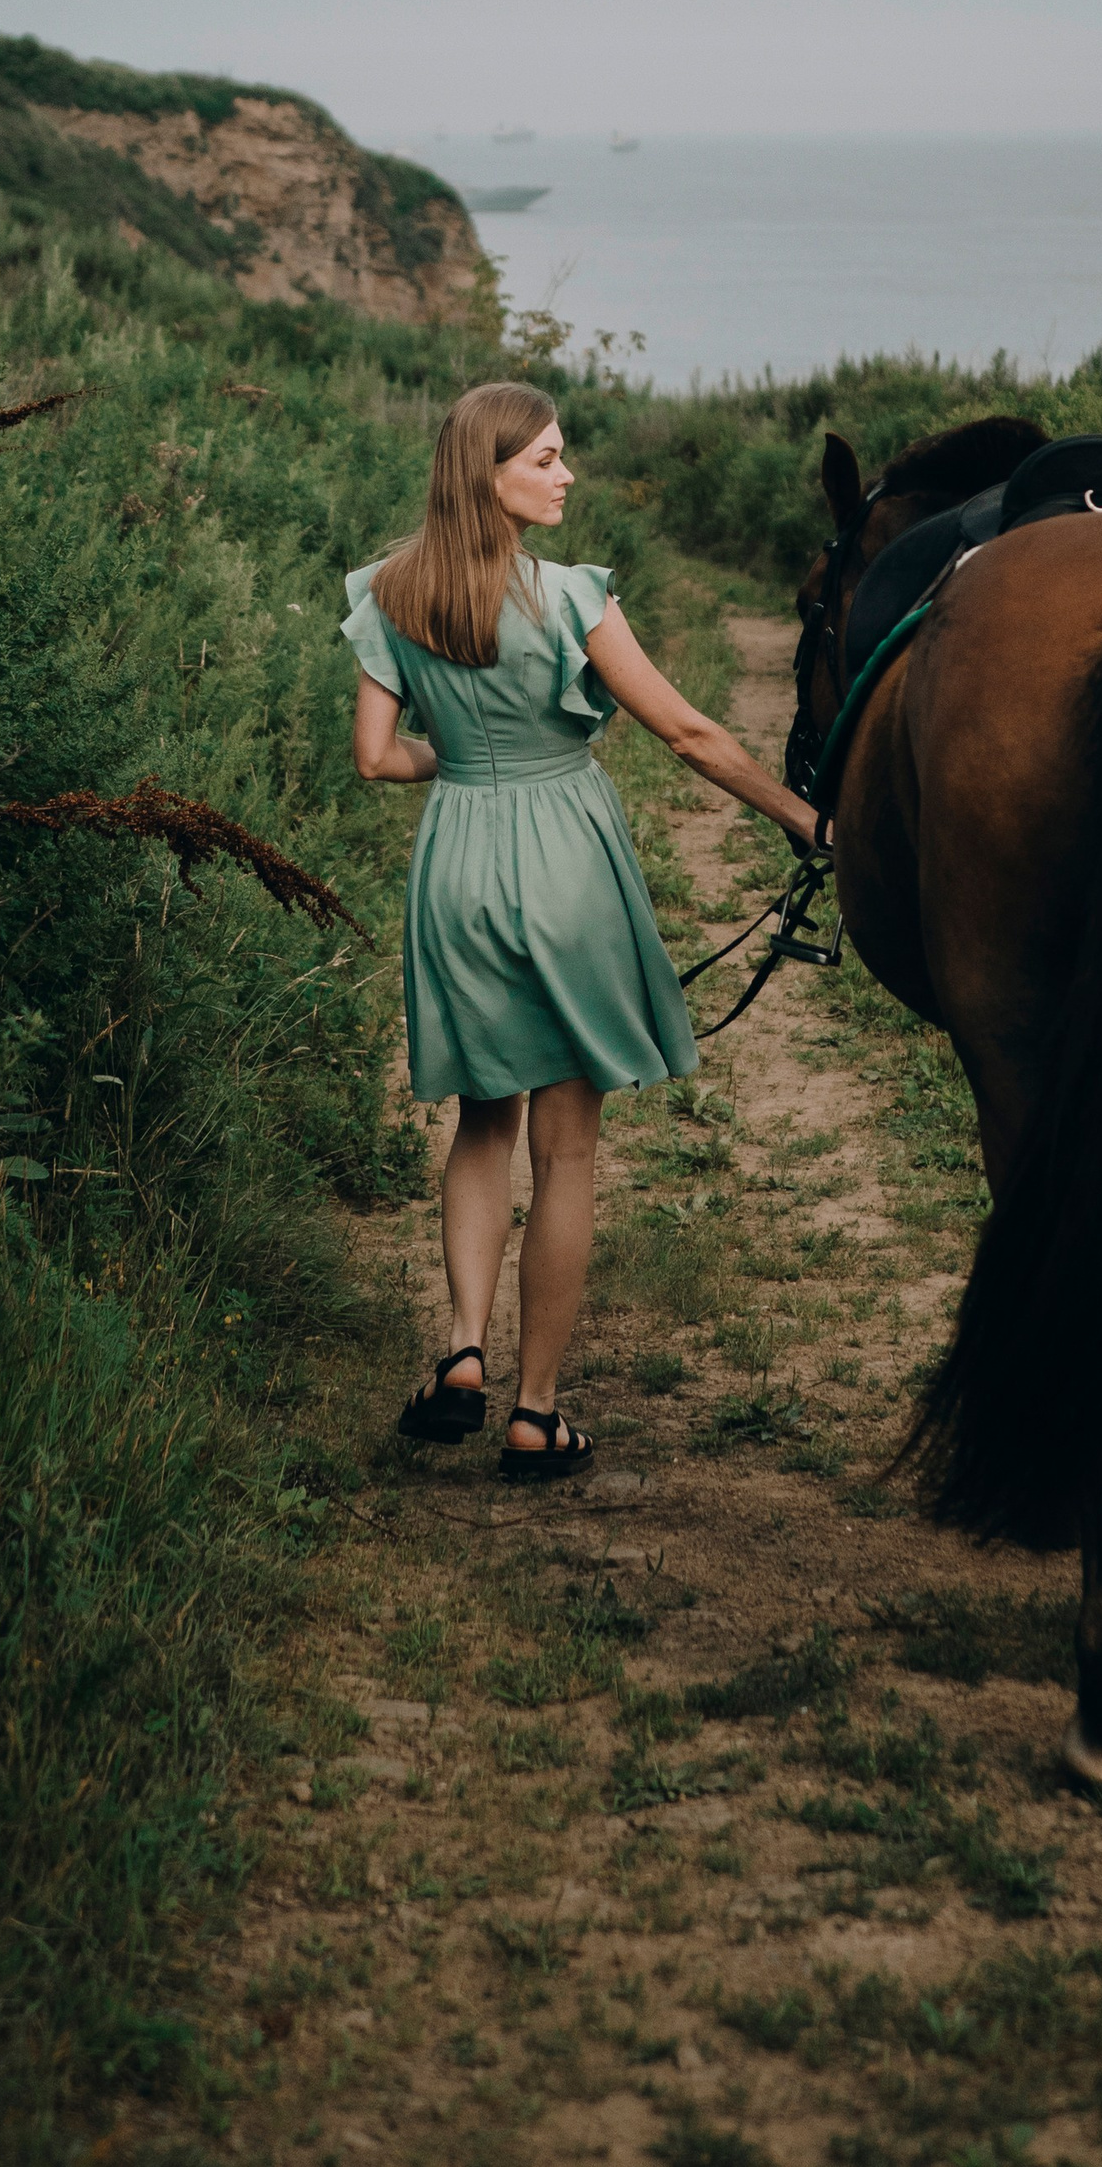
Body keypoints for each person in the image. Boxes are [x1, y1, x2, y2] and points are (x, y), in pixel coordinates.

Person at [343, 380, 817, 1480]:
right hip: (563, 856)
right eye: (547, 457)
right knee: (567, 1146)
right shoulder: (568, 599)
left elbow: (375, 757)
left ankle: (461, 1351)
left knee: (480, 1117)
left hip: (455, 857)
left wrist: (460, 759)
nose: (567, 474)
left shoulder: (389, 595)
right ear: (490, 471)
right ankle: (535, 1412)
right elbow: (692, 733)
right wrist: (807, 818)